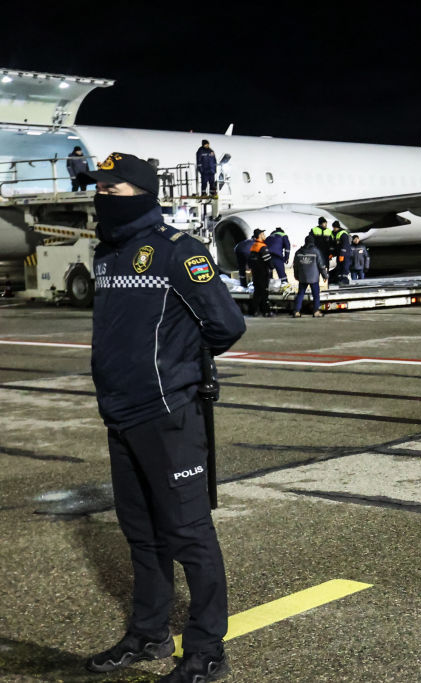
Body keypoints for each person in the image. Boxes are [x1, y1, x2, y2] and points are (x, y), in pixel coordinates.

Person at [80, 152, 244, 683]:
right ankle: (148, 632)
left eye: (118, 189)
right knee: (141, 534)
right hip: (120, 415)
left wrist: (178, 370)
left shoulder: (179, 253)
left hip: (168, 415)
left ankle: (205, 649)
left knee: (188, 533)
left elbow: (225, 324)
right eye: (101, 188)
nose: (105, 196)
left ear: (146, 194)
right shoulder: (105, 257)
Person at [292, 234, 328, 317]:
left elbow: (295, 265)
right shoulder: (316, 251)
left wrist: (296, 275)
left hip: (302, 277)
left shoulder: (299, 252)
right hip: (314, 278)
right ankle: (316, 311)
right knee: (316, 295)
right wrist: (325, 276)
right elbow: (321, 265)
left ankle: (296, 311)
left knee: (300, 294)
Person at [248, 229, 273, 317]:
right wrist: (272, 267)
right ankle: (266, 311)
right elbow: (267, 259)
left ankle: (254, 310)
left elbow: (250, 260)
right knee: (264, 292)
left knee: (257, 292)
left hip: (255, 272)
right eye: (263, 234)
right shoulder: (262, 247)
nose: (264, 235)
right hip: (263, 272)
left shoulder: (253, 246)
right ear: (260, 235)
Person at [329, 220, 351, 285]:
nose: (334, 229)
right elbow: (332, 245)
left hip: (345, 254)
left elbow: (345, 245)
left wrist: (342, 255)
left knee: (344, 267)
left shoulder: (343, 233)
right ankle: (339, 279)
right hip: (339, 253)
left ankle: (345, 280)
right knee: (339, 267)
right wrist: (331, 254)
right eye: (333, 228)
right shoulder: (333, 233)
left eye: (335, 228)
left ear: (338, 227)